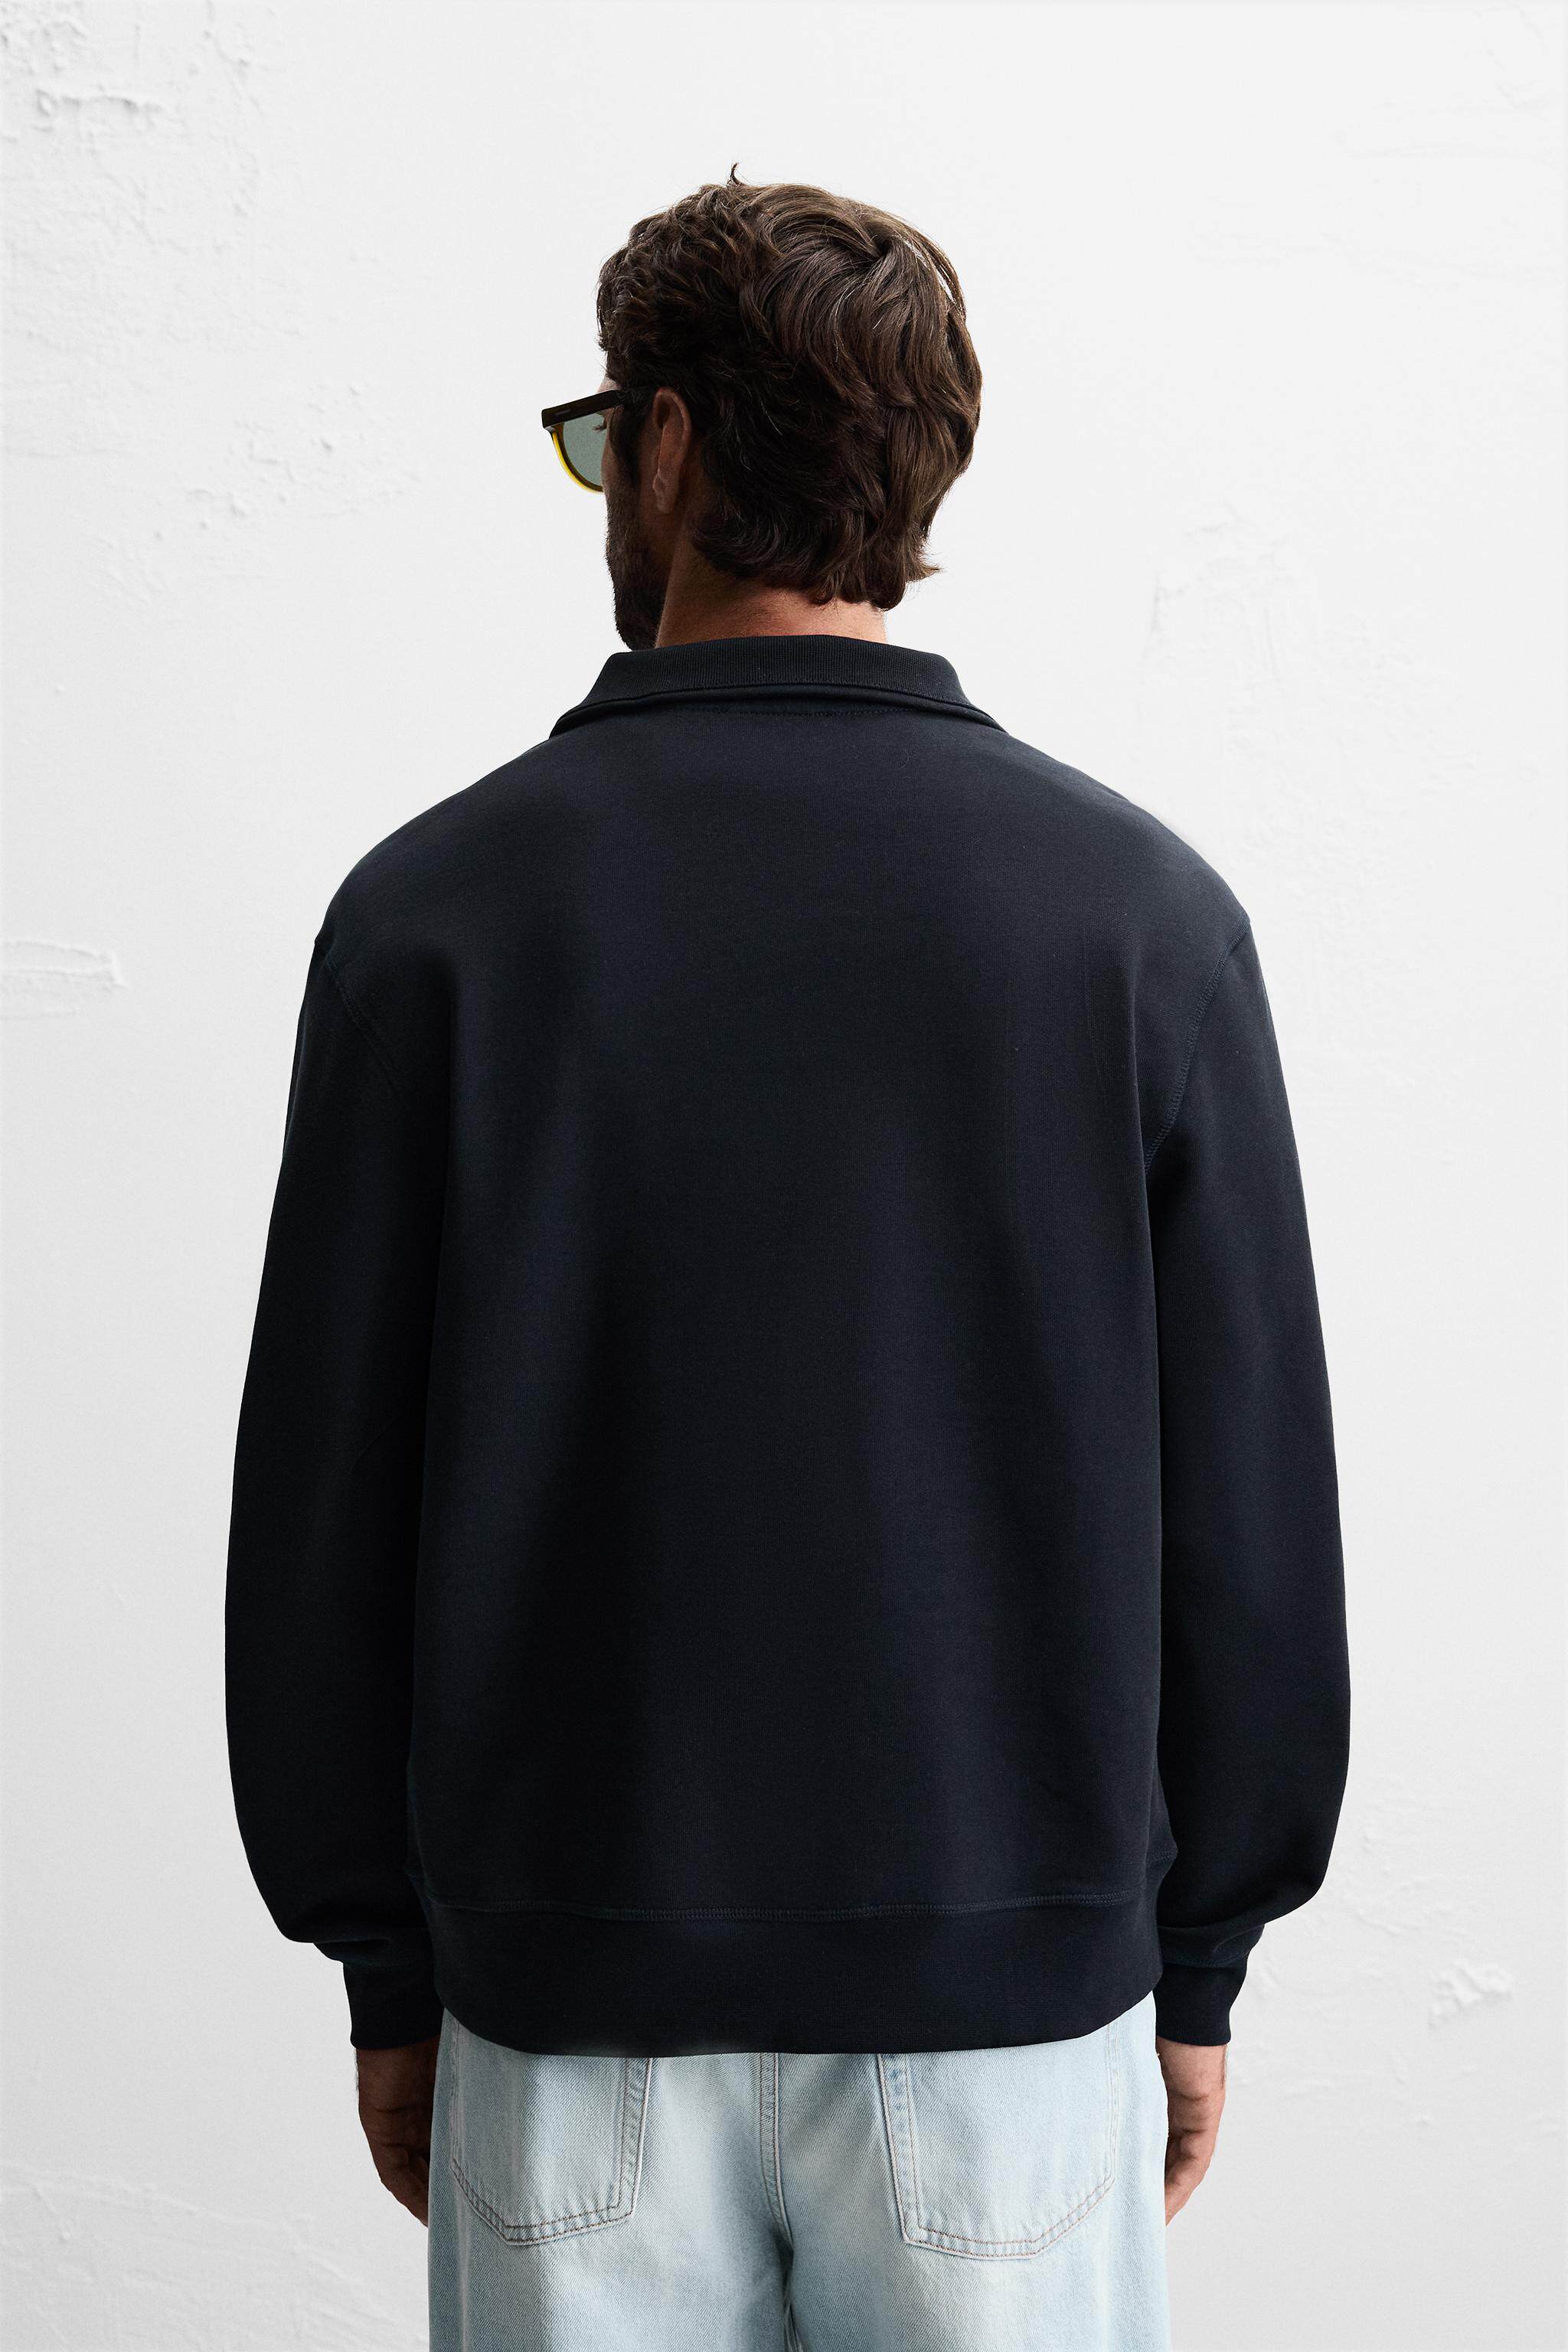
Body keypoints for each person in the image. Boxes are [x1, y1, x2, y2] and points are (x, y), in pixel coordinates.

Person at [225, 172, 1351, 2352]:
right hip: (1009, 2019)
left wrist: (385, 1962)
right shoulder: (1139, 923)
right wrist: (1200, 1959)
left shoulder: (435, 921)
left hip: (566, 2004)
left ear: (665, 445)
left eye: (603, 439)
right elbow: (1251, 1521)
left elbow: (320, 1515)